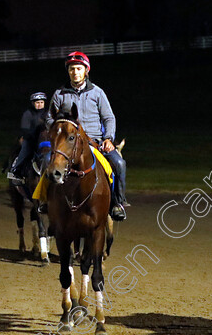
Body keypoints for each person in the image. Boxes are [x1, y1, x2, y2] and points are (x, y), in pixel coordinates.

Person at [40, 51, 127, 221]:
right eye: (72, 69)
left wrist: (108, 138)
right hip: (67, 143)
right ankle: (45, 201)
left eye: (79, 69)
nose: (75, 72)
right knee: (45, 162)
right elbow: (50, 117)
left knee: (119, 163)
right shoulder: (59, 93)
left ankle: (118, 203)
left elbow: (108, 117)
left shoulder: (97, 93)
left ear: (86, 70)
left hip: (95, 143)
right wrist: (58, 129)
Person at [8, 92, 49, 181]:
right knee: (26, 149)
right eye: (37, 103)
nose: (39, 105)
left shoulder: (48, 114)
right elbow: (25, 129)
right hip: (32, 139)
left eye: (41, 102)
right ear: (33, 103)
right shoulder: (28, 114)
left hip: (46, 140)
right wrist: (34, 135)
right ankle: (16, 170)